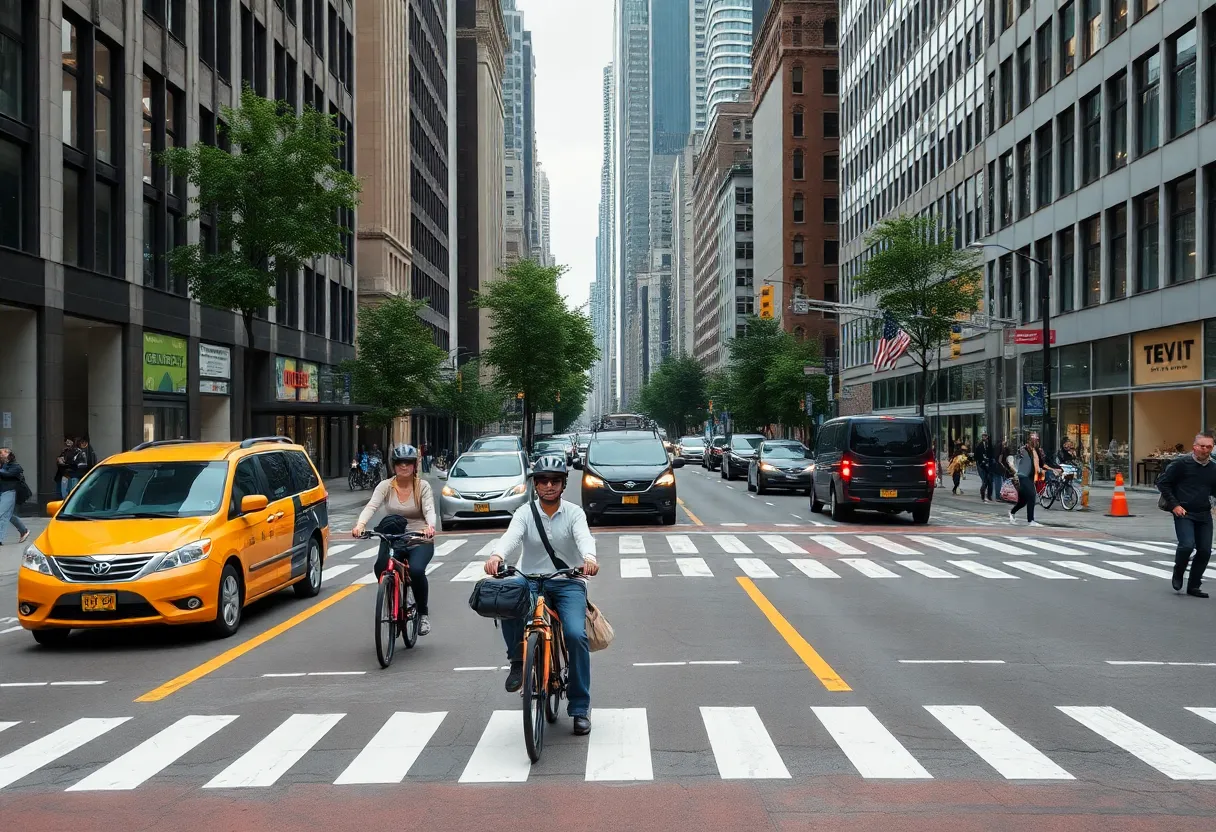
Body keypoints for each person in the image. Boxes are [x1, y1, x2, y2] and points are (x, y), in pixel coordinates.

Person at [483, 454, 599, 736]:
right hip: (531, 579)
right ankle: (517, 661)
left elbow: (584, 537)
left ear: (563, 484)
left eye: (555, 481)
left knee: (575, 635)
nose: (549, 485)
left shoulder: (574, 513)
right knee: (508, 601)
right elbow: (511, 536)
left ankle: (579, 708)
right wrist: (497, 555)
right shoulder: (525, 512)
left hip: (568, 581)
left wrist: (589, 558)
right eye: (543, 480)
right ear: (535, 484)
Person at [352, 444, 438, 634]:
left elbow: (429, 509)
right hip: (393, 536)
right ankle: (394, 598)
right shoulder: (385, 486)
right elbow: (371, 506)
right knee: (380, 567)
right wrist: (360, 525)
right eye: (399, 463)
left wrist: (430, 527)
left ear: (414, 465)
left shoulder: (422, 486)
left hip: (418, 537)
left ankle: (422, 614)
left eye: (408, 462)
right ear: (393, 465)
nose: (404, 466)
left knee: (416, 571)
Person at [1157, 432, 1216, 598]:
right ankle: (1179, 571)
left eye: (1209, 447)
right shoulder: (1181, 464)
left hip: (1204, 513)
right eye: (1202, 446)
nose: (1205, 450)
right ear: (1194, 447)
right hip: (1184, 512)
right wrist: (1175, 505)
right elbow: (1163, 483)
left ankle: (1194, 586)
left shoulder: (1213, 468)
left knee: (1205, 550)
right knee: (1187, 546)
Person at [1009, 432, 1043, 527]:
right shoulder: (1024, 450)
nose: (1035, 442)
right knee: (1032, 495)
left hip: (1030, 477)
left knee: (1023, 501)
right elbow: (1020, 460)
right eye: (1033, 440)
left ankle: (1012, 512)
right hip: (1023, 476)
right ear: (1029, 440)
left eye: (1036, 440)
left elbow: (1040, 463)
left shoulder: (1037, 450)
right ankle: (1031, 520)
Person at [0, 448, 30, 545]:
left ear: (8, 454)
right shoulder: (2, 465)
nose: (0, 454)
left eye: (2, 452)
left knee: (2, 514)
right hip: (2, 492)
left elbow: (8, 474)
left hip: (9, 491)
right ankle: (23, 530)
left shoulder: (15, 466)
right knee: (9, 515)